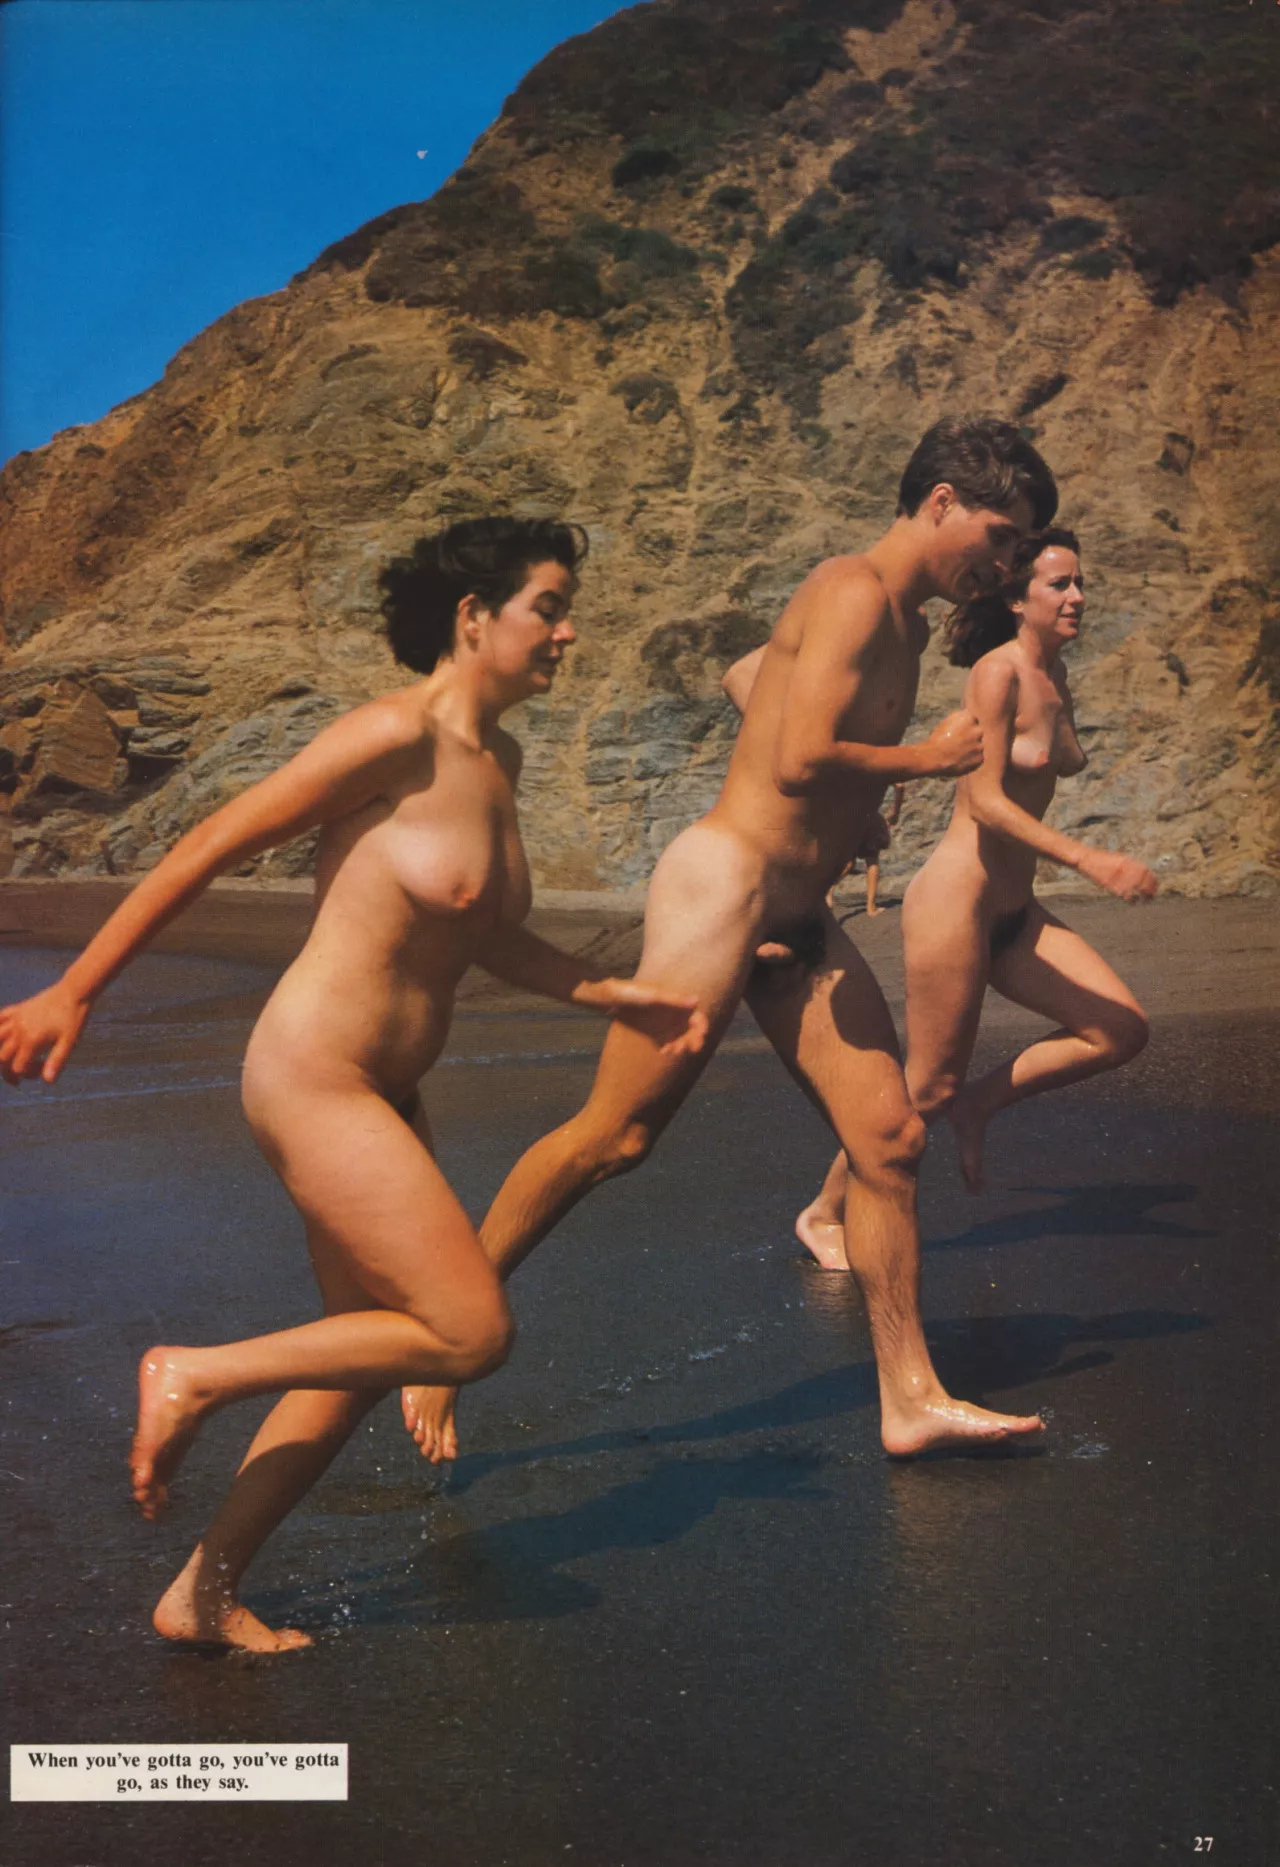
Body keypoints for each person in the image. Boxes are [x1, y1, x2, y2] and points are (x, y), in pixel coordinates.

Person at [0, 516, 706, 1652]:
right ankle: (195, 1373)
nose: (568, 632)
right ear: (473, 617)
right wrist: (73, 991)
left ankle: (202, 1592)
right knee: (467, 1332)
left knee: (359, 1354)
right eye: (548, 606)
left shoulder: (499, 762)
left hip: (387, 1092)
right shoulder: (392, 736)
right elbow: (211, 844)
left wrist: (616, 995)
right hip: (313, 1077)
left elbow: (488, 936)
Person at [402, 415, 1059, 1466]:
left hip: (796, 912)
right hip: (725, 889)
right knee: (614, 1139)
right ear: (940, 502)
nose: (1006, 563)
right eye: (998, 534)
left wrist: (857, 805)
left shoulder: (894, 616)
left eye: (1020, 546)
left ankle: (910, 1396)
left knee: (889, 1140)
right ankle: (444, 1329)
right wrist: (921, 762)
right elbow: (796, 754)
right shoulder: (850, 589)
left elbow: (755, 675)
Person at [784, 527, 1157, 1269]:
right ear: (1018, 599)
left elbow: (1055, 759)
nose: (1077, 597)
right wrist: (1089, 858)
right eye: (1060, 584)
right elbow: (984, 801)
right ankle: (823, 1212)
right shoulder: (997, 673)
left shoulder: (1054, 676)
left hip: (1013, 913)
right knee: (924, 1087)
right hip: (956, 905)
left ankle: (980, 1103)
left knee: (1119, 1030)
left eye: (1080, 583)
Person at [863, 783, 905, 916]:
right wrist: (895, 812)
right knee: (872, 859)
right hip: (869, 815)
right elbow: (900, 786)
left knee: (846, 862)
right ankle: (870, 907)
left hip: (847, 815)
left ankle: (827, 893)